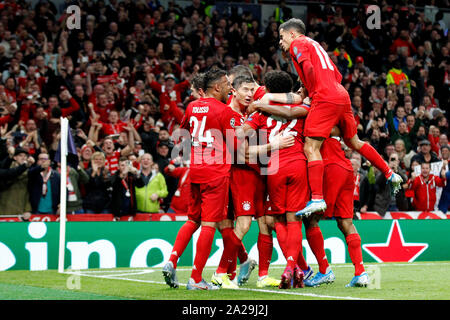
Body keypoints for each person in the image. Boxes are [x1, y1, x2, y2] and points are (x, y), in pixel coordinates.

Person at [277, 18, 402, 217]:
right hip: (340, 94)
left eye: (282, 37)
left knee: (310, 146)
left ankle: (317, 198)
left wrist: (310, 92)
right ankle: (390, 173)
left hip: (324, 96)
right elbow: (337, 75)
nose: (280, 42)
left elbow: (308, 69)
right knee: (353, 141)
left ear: (292, 34)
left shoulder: (297, 44)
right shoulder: (315, 45)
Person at [244, 70, 310, 289]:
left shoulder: (261, 111)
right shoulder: (302, 108)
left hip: (274, 167)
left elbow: (240, 132)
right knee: (295, 220)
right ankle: (292, 266)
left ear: (268, 89)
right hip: (299, 164)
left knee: (278, 220)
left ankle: (294, 268)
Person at [0, 147, 34, 215]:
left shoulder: (29, 172)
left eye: (25, 156)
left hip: (20, 209)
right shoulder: (7, 169)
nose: (23, 158)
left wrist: (27, 209)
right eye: (20, 155)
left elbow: (28, 192)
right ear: (14, 157)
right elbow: (12, 174)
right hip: (4, 208)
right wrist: (25, 166)